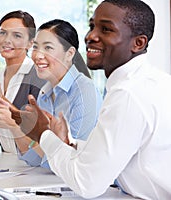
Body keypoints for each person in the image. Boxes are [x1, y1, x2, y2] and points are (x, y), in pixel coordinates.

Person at [20, 0, 171, 199]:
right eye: (92, 27)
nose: (90, 36)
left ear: (138, 43)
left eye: (106, 29)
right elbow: (117, 151)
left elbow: (87, 183)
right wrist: (68, 143)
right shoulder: (148, 81)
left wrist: (43, 135)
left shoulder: (128, 94)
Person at [0, 19, 103, 168]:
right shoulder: (45, 94)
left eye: (48, 48)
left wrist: (14, 123)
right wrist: (13, 126)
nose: (38, 55)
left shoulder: (84, 91)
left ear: (69, 54)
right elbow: (35, 159)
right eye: (36, 47)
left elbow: (72, 159)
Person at [0, 10, 46, 153]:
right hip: (8, 165)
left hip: (35, 166)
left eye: (17, 35)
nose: (6, 40)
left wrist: (0, 100)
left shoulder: (38, 77)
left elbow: (39, 132)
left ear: (30, 43)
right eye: (3, 33)